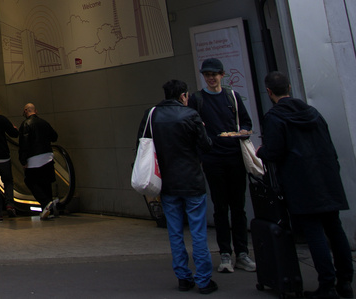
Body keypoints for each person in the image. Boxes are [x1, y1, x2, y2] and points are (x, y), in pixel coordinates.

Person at [257, 72, 353, 299]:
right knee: (335, 229)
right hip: (327, 178)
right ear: (289, 87)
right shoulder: (313, 113)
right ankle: (346, 281)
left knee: (314, 233)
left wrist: (260, 151)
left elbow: (274, 151)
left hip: (301, 181)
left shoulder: (275, 117)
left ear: (269, 92)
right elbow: (328, 145)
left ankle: (327, 285)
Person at [141, 80, 217, 294]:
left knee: (175, 232)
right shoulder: (191, 115)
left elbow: (142, 144)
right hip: (192, 180)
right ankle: (204, 280)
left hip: (166, 182)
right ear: (183, 96)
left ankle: (183, 277)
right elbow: (206, 145)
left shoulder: (151, 115)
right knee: (198, 231)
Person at [186, 57, 257, 273]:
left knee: (238, 207)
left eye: (214, 74)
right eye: (207, 74)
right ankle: (225, 254)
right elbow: (191, 127)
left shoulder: (232, 96)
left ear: (222, 75)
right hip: (213, 158)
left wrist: (243, 131)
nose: (211, 78)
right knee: (220, 207)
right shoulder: (197, 99)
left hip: (234, 155)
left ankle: (242, 253)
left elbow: (246, 122)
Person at [18, 103, 60, 220]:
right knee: (46, 183)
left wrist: (23, 160)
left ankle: (45, 202)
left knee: (30, 181)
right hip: (48, 156)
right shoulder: (44, 123)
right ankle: (49, 210)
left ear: (26, 111)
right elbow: (54, 136)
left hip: (33, 158)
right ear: (35, 111)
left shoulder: (25, 124)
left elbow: (24, 144)